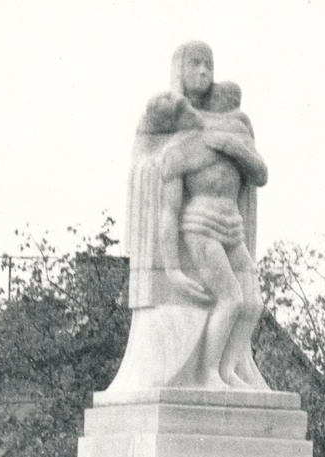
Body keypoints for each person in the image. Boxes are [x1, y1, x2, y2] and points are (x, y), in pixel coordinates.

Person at [107, 41, 270, 393]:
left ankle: (228, 372)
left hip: (233, 229)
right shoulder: (175, 150)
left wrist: (230, 146)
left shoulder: (234, 127)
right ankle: (209, 374)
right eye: (194, 64)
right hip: (201, 228)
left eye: (207, 65)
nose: (202, 72)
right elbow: (168, 214)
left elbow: (260, 173)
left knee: (252, 304)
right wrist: (174, 270)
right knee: (231, 298)